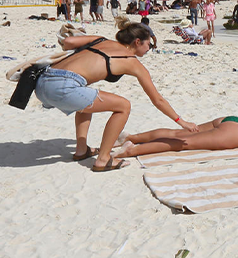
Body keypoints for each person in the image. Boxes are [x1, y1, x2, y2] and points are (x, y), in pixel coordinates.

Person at [35, 16, 199, 172]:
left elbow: (68, 41)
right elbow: (158, 100)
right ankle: (104, 159)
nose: (149, 48)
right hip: (62, 87)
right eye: (148, 44)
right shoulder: (133, 62)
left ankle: (81, 150)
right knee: (123, 106)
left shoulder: (101, 40)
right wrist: (182, 122)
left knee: (87, 100)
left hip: (41, 83)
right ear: (137, 42)